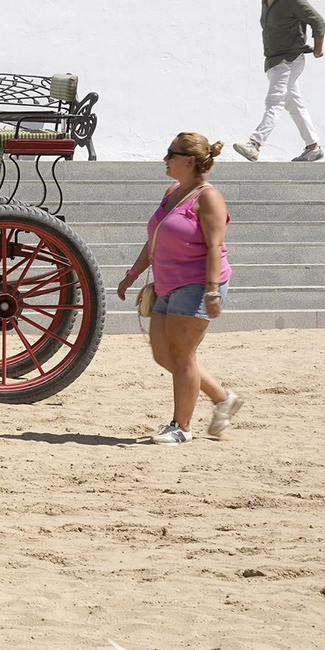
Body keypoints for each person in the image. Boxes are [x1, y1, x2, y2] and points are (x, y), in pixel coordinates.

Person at [117, 132, 240, 444]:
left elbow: (215, 246)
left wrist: (212, 291)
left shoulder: (208, 197)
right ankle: (223, 398)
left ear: (189, 161)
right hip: (167, 283)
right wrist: (132, 274)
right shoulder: (173, 190)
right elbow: (154, 239)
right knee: (163, 354)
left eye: (170, 154)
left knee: (182, 355)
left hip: (198, 284)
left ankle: (181, 427)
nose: (165, 159)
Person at [234, 0, 324, 162]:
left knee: (274, 101)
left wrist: (318, 49)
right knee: (293, 103)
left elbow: (318, 21)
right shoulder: (265, 0)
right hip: (274, 61)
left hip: (290, 58)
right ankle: (313, 147)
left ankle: (254, 144)